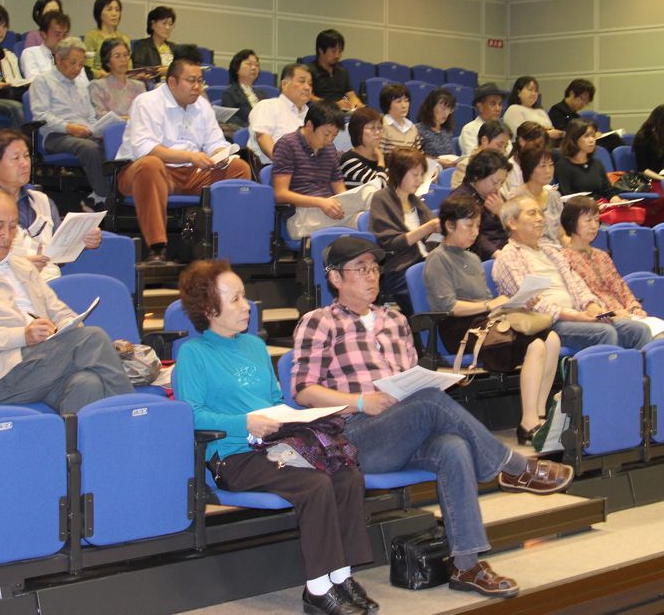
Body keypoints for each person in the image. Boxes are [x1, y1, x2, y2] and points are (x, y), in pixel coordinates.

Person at [293, 236, 573, 599]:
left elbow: (409, 381)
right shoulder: (319, 322)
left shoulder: (395, 320)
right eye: (360, 269)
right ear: (335, 278)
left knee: (453, 446)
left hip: (403, 428)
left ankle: (467, 564)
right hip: (354, 435)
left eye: (375, 268)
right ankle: (514, 467)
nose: (372, 276)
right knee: (427, 401)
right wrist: (360, 402)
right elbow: (304, 390)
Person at [173, 260, 377, 615]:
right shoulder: (193, 354)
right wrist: (245, 423)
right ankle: (316, 589)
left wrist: (295, 417)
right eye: (235, 299)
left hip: (276, 445)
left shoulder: (254, 346)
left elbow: (273, 399)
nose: (246, 305)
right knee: (313, 485)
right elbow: (191, 416)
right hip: (232, 455)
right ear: (209, 309)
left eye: (244, 296)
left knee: (346, 474)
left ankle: (340, 577)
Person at [0, 187, 133, 413]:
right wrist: (22, 336)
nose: (6, 236)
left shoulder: (22, 265)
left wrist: (67, 326)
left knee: (87, 384)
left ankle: (75, 448)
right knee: (92, 339)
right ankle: (130, 416)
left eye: (12, 226)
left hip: (43, 360)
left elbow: (58, 309)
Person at [423, 195, 561, 443]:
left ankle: (540, 416)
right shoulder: (437, 259)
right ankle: (528, 422)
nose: (475, 232)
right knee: (535, 344)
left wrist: (514, 303)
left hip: (487, 323)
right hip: (460, 330)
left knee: (551, 339)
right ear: (449, 225)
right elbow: (448, 306)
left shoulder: (473, 259)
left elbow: (489, 303)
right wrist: (489, 304)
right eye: (469, 226)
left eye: (477, 226)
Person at [115, 48, 251, 261]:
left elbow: (215, 141)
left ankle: (222, 243)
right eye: (191, 81)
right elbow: (144, 149)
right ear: (172, 82)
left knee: (239, 169)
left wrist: (220, 155)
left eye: (200, 81)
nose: (198, 87)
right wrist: (190, 157)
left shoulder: (203, 106)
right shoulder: (147, 102)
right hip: (143, 173)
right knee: (150, 164)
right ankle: (157, 248)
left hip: (190, 173)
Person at [494, 194, 652, 352]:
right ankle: (606, 376)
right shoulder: (509, 256)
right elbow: (531, 301)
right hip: (546, 323)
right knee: (604, 332)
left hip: (576, 314)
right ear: (512, 223)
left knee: (638, 330)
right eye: (532, 213)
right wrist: (574, 316)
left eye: (540, 213)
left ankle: (632, 376)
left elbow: (577, 284)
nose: (540, 218)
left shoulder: (550, 252)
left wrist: (591, 306)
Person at [0, 129, 101, 280]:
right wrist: (18, 266)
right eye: (15, 158)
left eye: (27, 156)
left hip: (50, 287)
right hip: (0, 289)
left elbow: (58, 257)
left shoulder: (43, 201)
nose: (24, 164)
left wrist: (81, 240)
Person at [561, 196, 664, 338]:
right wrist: (613, 313)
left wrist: (634, 307)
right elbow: (580, 298)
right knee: (657, 338)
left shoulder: (601, 255)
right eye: (588, 220)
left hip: (624, 313)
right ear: (571, 222)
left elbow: (620, 287)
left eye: (597, 220)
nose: (594, 226)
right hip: (603, 318)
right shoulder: (564, 258)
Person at [30, 36, 111, 212]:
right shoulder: (42, 81)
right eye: (73, 63)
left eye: (81, 64)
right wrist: (69, 128)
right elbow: (41, 116)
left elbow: (90, 115)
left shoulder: (82, 84)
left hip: (84, 133)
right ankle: (105, 198)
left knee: (112, 144)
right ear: (58, 58)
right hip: (55, 135)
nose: (77, 68)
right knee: (89, 148)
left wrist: (96, 128)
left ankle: (100, 196)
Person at [273, 102, 370, 240]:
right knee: (370, 199)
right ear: (310, 125)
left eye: (334, 136)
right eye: (326, 134)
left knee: (367, 219)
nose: (329, 140)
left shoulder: (330, 149)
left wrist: (346, 202)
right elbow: (280, 194)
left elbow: (340, 191)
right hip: (300, 217)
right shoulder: (287, 144)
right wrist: (320, 202)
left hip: (329, 212)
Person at [368, 147, 438, 313]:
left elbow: (433, 237)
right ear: (399, 173)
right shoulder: (382, 199)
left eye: (422, 175)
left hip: (426, 263)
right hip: (399, 269)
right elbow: (389, 243)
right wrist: (427, 228)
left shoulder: (416, 202)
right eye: (415, 174)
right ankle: (426, 335)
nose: (420, 180)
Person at [450, 149, 509, 260]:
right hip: (482, 256)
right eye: (495, 182)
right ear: (477, 176)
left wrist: (502, 212)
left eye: (502, 182)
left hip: (506, 248)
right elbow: (473, 236)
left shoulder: (495, 196)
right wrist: (497, 254)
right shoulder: (460, 199)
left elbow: (515, 225)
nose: (498, 187)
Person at [248, 63, 311, 165]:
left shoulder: (312, 115)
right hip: (274, 170)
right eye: (302, 81)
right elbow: (262, 138)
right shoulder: (267, 106)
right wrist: (287, 164)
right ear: (284, 84)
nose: (307, 87)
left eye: (310, 83)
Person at [555, 119, 624, 205]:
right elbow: (567, 197)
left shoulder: (597, 163)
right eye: (586, 136)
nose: (592, 140)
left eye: (593, 136)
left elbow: (608, 192)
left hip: (601, 206)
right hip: (581, 211)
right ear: (574, 138)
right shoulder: (563, 165)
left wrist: (618, 201)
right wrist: (593, 206)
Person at [512, 145, 565, 248]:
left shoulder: (554, 196)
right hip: (532, 252)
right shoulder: (516, 197)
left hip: (557, 250)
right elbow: (516, 236)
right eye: (543, 166)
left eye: (551, 165)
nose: (549, 170)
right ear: (529, 169)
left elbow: (561, 234)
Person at [307, 29, 361, 112]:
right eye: (333, 51)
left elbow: (351, 95)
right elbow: (309, 96)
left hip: (342, 113)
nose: (337, 55)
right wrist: (333, 105)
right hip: (321, 112)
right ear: (321, 50)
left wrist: (357, 105)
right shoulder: (308, 71)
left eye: (340, 51)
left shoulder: (343, 72)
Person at [89, 38, 145, 119]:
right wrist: (129, 119)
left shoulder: (139, 86)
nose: (123, 60)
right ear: (107, 62)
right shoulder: (97, 86)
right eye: (117, 56)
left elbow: (144, 113)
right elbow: (101, 116)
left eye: (126, 55)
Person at [449, 119, 511, 191]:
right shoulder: (465, 165)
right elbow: (459, 196)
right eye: (499, 145)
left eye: (505, 147)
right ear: (484, 141)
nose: (502, 151)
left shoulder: (502, 167)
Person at [83, 0, 131, 78]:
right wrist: (99, 74)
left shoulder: (125, 38)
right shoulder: (92, 36)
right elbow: (87, 67)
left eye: (117, 10)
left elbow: (129, 66)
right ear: (99, 13)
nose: (114, 14)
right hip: (100, 80)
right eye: (109, 9)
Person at [339, 107, 387, 188]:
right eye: (372, 128)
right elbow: (380, 187)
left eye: (379, 128)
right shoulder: (349, 160)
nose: (378, 132)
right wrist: (381, 159)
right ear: (358, 130)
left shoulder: (385, 158)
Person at [19, 10, 72, 81]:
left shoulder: (71, 55)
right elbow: (35, 82)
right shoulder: (30, 53)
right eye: (57, 34)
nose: (62, 39)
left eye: (65, 34)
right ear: (44, 34)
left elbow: (82, 83)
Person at [458, 83, 505, 157]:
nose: (498, 108)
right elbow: (473, 158)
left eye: (500, 104)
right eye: (493, 104)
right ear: (480, 106)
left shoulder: (503, 129)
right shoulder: (470, 129)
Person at [632, 104, 664, 179]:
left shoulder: (663, 137)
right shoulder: (644, 138)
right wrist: (663, 179)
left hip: (662, 177)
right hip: (650, 179)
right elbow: (643, 170)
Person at [131, 6, 177, 78]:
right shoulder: (142, 45)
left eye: (170, 24)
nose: (168, 27)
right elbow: (138, 70)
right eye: (164, 23)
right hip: (153, 84)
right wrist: (158, 72)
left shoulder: (174, 48)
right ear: (153, 24)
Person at [415, 87, 458, 163]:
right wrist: (437, 161)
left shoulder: (447, 131)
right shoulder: (418, 129)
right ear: (431, 107)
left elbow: (452, 155)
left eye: (449, 109)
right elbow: (416, 157)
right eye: (443, 108)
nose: (446, 113)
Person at [220, 49, 260, 128]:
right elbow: (231, 119)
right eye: (249, 64)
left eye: (256, 65)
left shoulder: (262, 94)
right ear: (236, 68)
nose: (254, 67)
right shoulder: (230, 94)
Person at [379, 83, 419, 156]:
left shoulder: (413, 128)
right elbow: (378, 156)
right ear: (387, 104)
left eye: (406, 101)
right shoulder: (382, 126)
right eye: (398, 101)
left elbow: (419, 155)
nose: (404, 106)